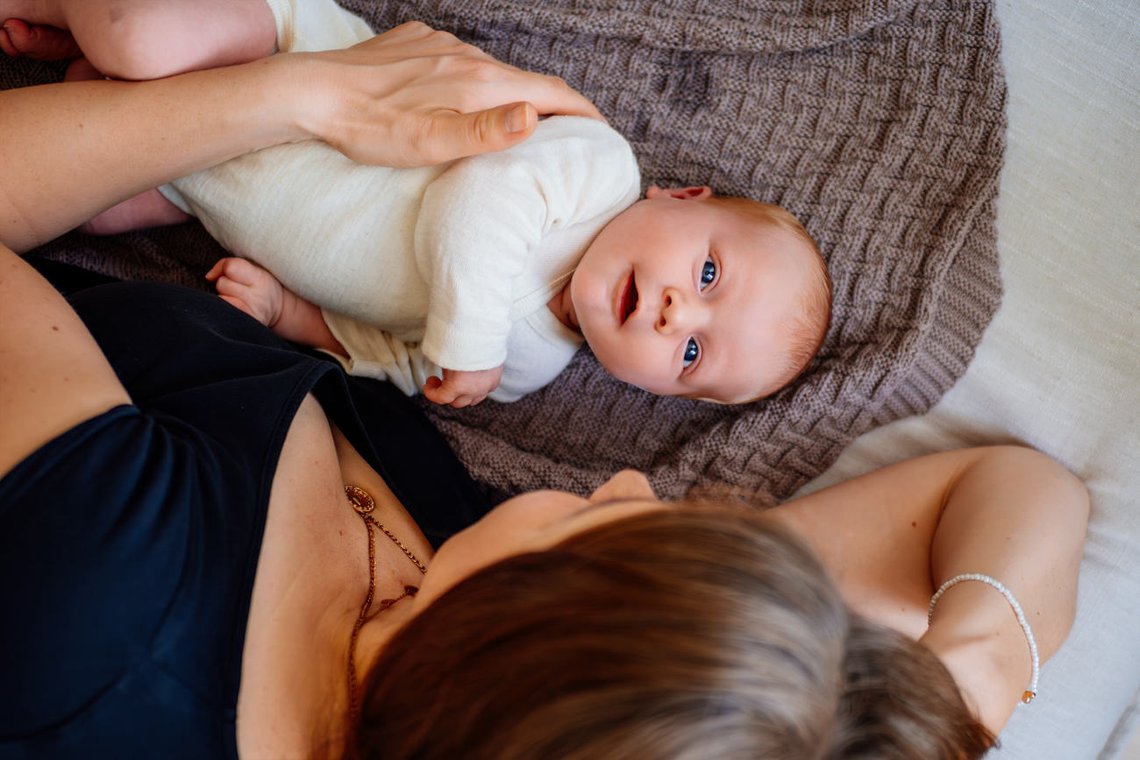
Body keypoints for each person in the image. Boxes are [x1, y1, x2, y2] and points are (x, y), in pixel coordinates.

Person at [0, 18, 1087, 760]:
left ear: (517, 656)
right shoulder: (641, 689)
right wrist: (969, 672)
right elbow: (1015, 492)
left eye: (608, 536)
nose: (628, 484)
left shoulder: (108, 575)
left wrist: (302, 97)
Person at [0, 0, 832, 408]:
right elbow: (476, 205)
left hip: (203, 177)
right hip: (281, 51)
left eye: (691, 356)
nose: (675, 314)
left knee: (99, 208)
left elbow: (396, 356)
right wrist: (469, 345)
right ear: (681, 195)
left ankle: (89, 64)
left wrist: (295, 317)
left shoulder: (527, 369)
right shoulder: (596, 171)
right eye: (710, 271)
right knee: (140, 35)